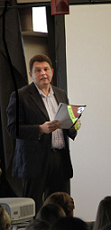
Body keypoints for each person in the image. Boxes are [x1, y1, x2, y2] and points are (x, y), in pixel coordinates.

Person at [6, 54, 80, 212]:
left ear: (52, 72)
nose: (43, 73)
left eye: (46, 69)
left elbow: (66, 126)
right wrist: (40, 129)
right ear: (31, 74)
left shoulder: (61, 94)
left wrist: (73, 127)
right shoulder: (20, 96)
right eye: (38, 70)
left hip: (60, 158)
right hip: (34, 161)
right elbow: (13, 129)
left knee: (61, 206)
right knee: (33, 209)